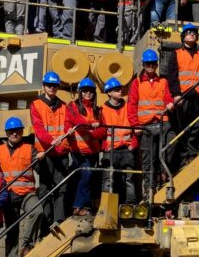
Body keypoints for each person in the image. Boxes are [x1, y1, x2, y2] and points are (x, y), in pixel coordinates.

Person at [0, 117, 44, 257]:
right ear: (7, 133)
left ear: (22, 132)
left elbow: (40, 170)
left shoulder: (29, 149)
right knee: (11, 230)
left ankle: (27, 244)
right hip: (8, 195)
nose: (14, 134)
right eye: (11, 131)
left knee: (38, 211)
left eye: (17, 131)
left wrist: (41, 160)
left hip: (27, 193)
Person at [30, 71, 75, 226]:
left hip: (61, 151)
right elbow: (38, 128)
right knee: (45, 188)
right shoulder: (36, 105)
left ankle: (58, 220)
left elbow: (68, 123)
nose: (52, 88)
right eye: (49, 85)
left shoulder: (63, 105)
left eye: (54, 86)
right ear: (44, 86)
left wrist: (69, 132)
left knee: (61, 188)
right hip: (46, 152)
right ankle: (47, 222)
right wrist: (51, 141)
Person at [127, 49, 176, 192]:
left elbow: (167, 97)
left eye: (153, 64)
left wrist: (170, 103)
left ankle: (163, 173)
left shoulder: (163, 81)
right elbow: (131, 105)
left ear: (156, 65)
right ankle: (149, 186)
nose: (150, 66)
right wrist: (135, 126)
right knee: (149, 158)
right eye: (148, 64)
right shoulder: (136, 83)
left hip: (162, 123)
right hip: (146, 126)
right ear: (143, 64)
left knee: (172, 143)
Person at [165, 24, 199, 165]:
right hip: (183, 97)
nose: (192, 34)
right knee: (183, 128)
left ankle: (192, 154)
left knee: (197, 128)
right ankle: (184, 157)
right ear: (183, 37)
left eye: (194, 33)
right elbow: (172, 77)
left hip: (198, 97)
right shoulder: (176, 54)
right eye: (189, 32)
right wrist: (176, 94)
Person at [66, 78, 106, 215]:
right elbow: (75, 121)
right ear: (80, 92)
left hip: (93, 151)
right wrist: (91, 127)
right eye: (85, 91)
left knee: (87, 178)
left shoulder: (98, 110)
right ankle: (79, 206)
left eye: (91, 91)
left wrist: (93, 133)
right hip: (78, 150)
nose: (88, 94)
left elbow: (103, 130)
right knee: (85, 176)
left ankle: (83, 206)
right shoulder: (72, 106)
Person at [100, 77, 138, 205]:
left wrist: (134, 143)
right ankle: (107, 206)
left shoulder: (128, 106)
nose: (120, 91)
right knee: (108, 180)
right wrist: (104, 146)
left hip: (127, 149)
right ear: (109, 92)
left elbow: (134, 124)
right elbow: (100, 132)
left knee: (129, 179)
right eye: (116, 90)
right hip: (111, 150)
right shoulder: (102, 110)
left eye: (120, 89)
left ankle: (130, 204)